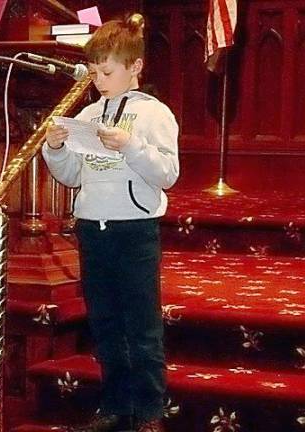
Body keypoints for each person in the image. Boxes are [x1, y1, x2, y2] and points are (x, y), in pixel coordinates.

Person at [42, 13, 179, 432]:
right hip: (92, 227)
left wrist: (132, 145)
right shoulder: (86, 114)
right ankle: (116, 405)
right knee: (104, 323)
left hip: (134, 230)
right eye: (95, 71)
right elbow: (71, 175)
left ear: (134, 67)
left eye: (107, 71)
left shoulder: (154, 114)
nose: (99, 80)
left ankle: (150, 412)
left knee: (141, 326)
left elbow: (168, 173)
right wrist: (56, 149)